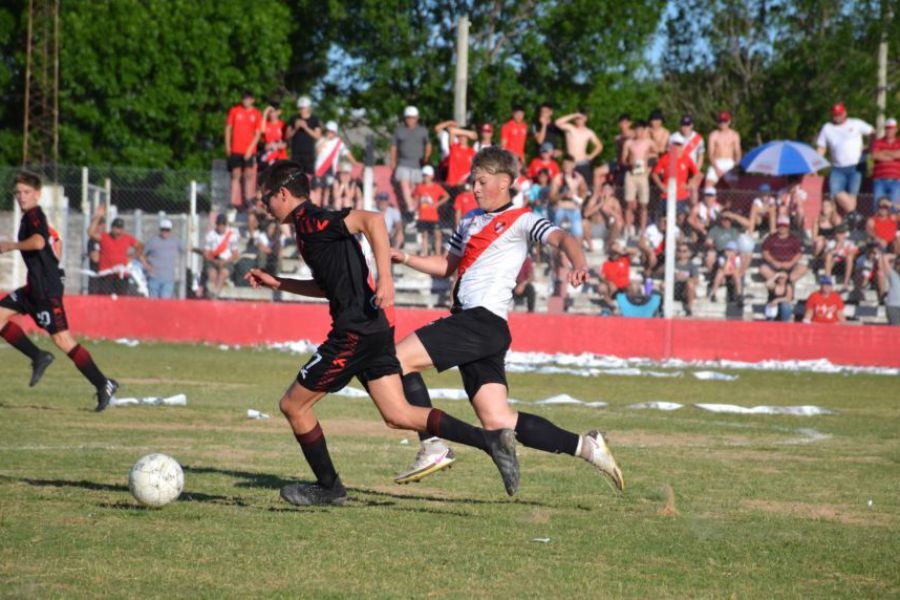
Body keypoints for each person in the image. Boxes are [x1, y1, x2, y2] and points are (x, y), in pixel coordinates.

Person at [246, 160, 521, 505]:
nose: (265, 207)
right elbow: (331, 286)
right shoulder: (309, 229)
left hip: (353, 334)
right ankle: (491, 441)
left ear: (282, 193)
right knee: (399, 415)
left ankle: (329, 487)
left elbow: (372, 220)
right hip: (371, 330)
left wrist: (386, 279)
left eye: (266, 199)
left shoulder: (312, 220)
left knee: (293, 405)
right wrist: (280, 282)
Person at [389, 147, 624, 491]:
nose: (475, 188)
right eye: (473, 182)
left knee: (396, 361)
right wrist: (406, 257)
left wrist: (579, 263)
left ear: (505, 182)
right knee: (498, 419)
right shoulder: (469, 220)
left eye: (482, 181)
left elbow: (563, 238)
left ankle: (432, 445)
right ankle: (587, 447)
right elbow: (446, 265)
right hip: (486, 330)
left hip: (479, 321)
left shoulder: (523, 218)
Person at [0, 171, 118, 410]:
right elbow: (54, 243)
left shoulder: (34, 215)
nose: (22, 197)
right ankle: (38, 356)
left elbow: (40, 242)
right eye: (18, 192)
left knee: (63, 340)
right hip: (34, 288)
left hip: (45, 292)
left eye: (27, 192)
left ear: (38, 194)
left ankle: (103, 383)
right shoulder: (31, 218)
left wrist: (10, 246)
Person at [816, 102, 874, 215]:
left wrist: (870, 148)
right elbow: (821, 148)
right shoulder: (827, 128)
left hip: (856, 165)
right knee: (835, 192)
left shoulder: (856, 123)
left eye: (839, 113)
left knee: (853, 196)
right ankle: (854, 215)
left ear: (845, 113)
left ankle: (849, 225)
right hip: (837, 167)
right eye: (835, 114)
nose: (837, 116)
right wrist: (815, 166)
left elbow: (872, 132)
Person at [87, 206, 145, 296]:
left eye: (120, 228)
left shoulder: (127, 238)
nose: (119, 231)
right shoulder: (104, 237)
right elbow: (90, 232)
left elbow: (140, 246)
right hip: (106, 274)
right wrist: (98, 216)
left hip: (121, 274)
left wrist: (132, 256)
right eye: (116, 228)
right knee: (105, 297)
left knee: (121, 297)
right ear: (112, 228)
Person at [390, 105, 431, 217]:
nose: (410, 120)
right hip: (403, 162)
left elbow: (428, 144)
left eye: (412, 117)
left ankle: (414, 211)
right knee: (404, 183)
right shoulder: (399, 131)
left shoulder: (423, 131)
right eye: (408, 117)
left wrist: (426, 157)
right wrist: (393, 161)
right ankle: (411, 208)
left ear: (417, 118)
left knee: (415, 188)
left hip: (417, 164)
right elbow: (393, 147)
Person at [225, 90, 262, 209]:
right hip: (236, 149)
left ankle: (248, 199)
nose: (246, 101)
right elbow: (228, 128)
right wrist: (227, 146)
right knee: (235, 174)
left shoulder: (256, 113)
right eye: (244, 98)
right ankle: (233, 202)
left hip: (249, 150)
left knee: (248, 174)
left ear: (252, 100)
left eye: (248, 98)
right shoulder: (235, 111)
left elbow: (258, 134)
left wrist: (250, 150)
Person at [651, 133, 701, 212]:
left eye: (679, 145)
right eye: (675, 145)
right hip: (666, 194)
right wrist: (661, 186)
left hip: (681, 195)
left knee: (680, 216)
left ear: (682, 146)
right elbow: (654, 174)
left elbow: (698, 174)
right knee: (663, 217)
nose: (677, 147)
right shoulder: (665, 158)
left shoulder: (686, 158)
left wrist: (689, 185)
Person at [621, 120, 655, 234]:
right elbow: (623, 160)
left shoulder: (649, 142)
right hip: (631, 174)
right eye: (636, 130)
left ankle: (642, 229)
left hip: (643, 175)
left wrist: (647, 162)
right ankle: (628, 228)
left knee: (643, 204)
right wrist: (630, 164)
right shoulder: (629, 143)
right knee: (629, 203)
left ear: (644, 130)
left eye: (641, 130)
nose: (638, 132)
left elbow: (657, 154)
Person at [314, 121, 357, 206]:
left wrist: (355, 162)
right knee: (318, 189)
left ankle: (324, 208)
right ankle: (317, 208)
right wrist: (324, 141)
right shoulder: (321, 140)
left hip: (330, 169)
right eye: (329, 131)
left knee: (327, 190)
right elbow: (317, 152)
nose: (330, 133)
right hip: (319, 170)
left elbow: (346, 152)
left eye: (332, 132)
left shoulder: (338, 142)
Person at [555, 110, 603, 185]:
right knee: (569, 187)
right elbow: (557, 122)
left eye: (581, 118)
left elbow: (599, 146)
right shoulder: (570, 128)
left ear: (585, 119)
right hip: (570, 164)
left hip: (583, 163)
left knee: (586, 188)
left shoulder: (589, 132)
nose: (579, 120)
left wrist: (591, 156)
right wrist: (574, 115)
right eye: (577, 118)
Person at [144, 218, 185, 299]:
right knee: (153, 302)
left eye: (167, 230)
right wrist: (146, 265)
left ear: (170, 230)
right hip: (154, 277)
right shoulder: (152, 241)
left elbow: (185, 249)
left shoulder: (175, 241)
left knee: (165, 302)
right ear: (160, 230)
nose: (165, 232)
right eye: (163, 229)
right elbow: (141, 254)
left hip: (168, 278)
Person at [413, 165, 449, 256]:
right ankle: (425, 254)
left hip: (433, 216)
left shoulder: (436, 187)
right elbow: (416, 199)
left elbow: (447, 196)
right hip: (423, 215)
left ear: (432, 176)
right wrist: (415, 210)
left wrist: (437, 204)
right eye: (424, 175)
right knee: (424, 236)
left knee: (438, 235)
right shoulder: (419, 187)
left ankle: (437, 255)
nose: (425, 177)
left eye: (427, 175)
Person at [760, 216, 807, 283]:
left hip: (790, 265)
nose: (782, 228)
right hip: (774, 266)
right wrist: (773, 262)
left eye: (784, 226)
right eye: (780, 226)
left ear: (788, 227)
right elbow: (765, 252)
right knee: (763, 269)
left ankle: (789, 280)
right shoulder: (770, 238)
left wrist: (791, 263)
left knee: (803, 268)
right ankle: (779, 281)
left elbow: (799, 253)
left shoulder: (794, 239)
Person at [551, 156, 588, 241]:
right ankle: (557, 253)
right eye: (564, 164)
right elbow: (551, 197)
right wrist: (562, 195)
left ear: (573, 165)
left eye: (568, 164)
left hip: (574, 208)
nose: (566, 166)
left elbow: (584, 190)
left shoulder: (579, 177)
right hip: (561, 208)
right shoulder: (558, 178)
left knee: (578, 234)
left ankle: (577, 251)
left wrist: (580, 200)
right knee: (557, 235)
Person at [203, 213, 239, 299]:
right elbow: (206, 253)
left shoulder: (232, 236)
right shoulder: (210, 235)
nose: (220, 228)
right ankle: (212, 294)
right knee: (212, 274)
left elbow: (235, 254)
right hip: (213, 260)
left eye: (222, 225)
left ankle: (215, 294)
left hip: (226, 260)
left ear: (225, 225)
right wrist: (213, 261)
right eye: (219, 225)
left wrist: (225, 261)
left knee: (223, 273)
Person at [285, 96, 322, 177]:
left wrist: (306, 128)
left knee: (309, 177)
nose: (302, 110)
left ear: (308, 108)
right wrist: (295, 128)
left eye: (304, 108)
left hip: (309, 154)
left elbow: (318, 136)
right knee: (294, 176)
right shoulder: (293, 118)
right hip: (296, 154)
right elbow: (287, 136)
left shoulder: (314, 119)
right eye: (300, 108)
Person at [705, 111, 741, 191]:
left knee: (734, 186)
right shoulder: (713, 135)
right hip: (716, 162)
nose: (722, 123)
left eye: (725, 121)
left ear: (729, 121)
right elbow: (710, 154)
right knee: (708, 185)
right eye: (721, 121)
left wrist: (735, 166)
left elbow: (737, 152)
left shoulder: (734, 135)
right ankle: (710, 203)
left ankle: (729, 204)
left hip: (730, 163)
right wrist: (716, 168)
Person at [872, 117, 900, 208]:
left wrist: (884, 152)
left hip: (896, 179)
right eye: (887, 128)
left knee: (894, 206)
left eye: (891, 128)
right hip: (879, 179)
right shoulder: (878, 142)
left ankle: (893, 223)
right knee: (878, 205)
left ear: (896, 129)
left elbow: (899, 155)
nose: (889, 130)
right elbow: (875, 156)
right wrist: (893, 155)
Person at [260, 103, 288, 170]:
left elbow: (287, 142)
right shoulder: (265, 124)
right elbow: (261, 132)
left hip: (281, 157)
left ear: (279, 112)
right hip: (268, 158)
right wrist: (264, 114)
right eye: (270, 112)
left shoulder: (283, 125)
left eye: (274, 111)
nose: (272, 114)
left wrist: (277, 145)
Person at [673, 243, 699, 316]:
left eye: (684, 251)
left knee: (690, 284)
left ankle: (689, 307)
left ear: (688, 253)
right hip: (675, 289)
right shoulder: (671, 263)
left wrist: (686, 279)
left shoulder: (692, 265)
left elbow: (696, 279)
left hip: (686, 291)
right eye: (679, 251)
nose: (682, 253)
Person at [878, 251, 900, 324]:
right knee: (895, 331)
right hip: (893, 306)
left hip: (893, 305)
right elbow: (885, 257)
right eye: (898, 264)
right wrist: (896, 256)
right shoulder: (892, 274)